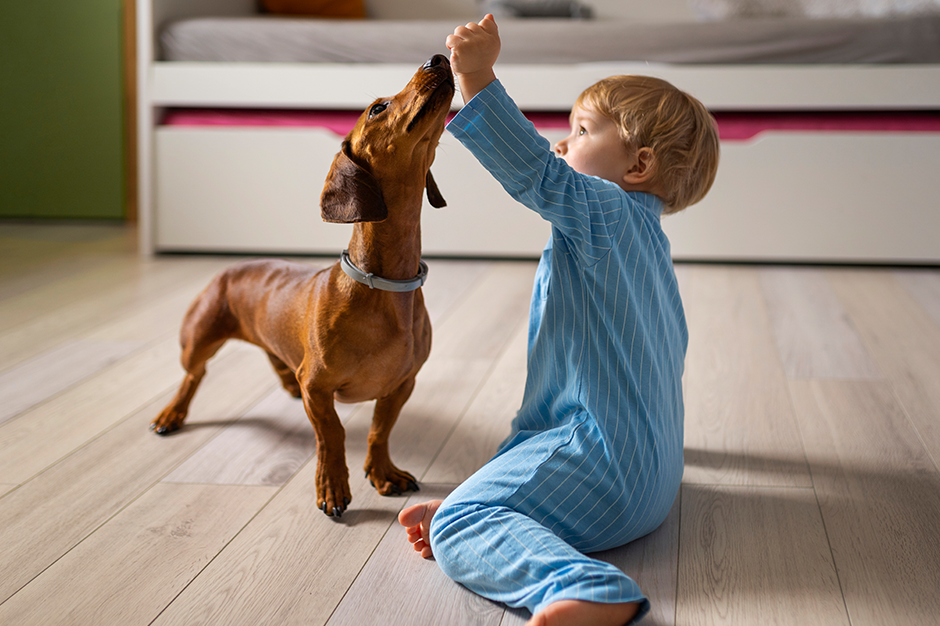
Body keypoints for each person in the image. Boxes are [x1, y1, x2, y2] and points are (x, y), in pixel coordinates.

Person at [399, 14, 720, 626]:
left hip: (603, 467)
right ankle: (503, 511)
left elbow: (536, 175)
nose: (562, 143)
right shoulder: (649, 247)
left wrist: (477, 77)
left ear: (638, 166)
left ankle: (590, 590)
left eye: (581, 130)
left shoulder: (604, 210)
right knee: (488, 484)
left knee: (462, 525)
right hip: (654, 477)